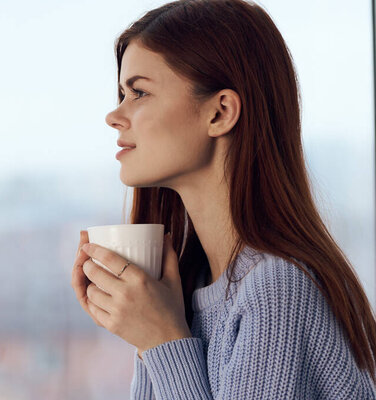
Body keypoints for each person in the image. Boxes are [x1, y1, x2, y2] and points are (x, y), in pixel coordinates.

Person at [70, 0, 376, 398]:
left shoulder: (276, 289)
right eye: (122, 93)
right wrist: (147, 332)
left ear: (221, 113)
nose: (114, 115)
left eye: (139, 92)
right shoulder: (190, 286)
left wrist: (161, 341)